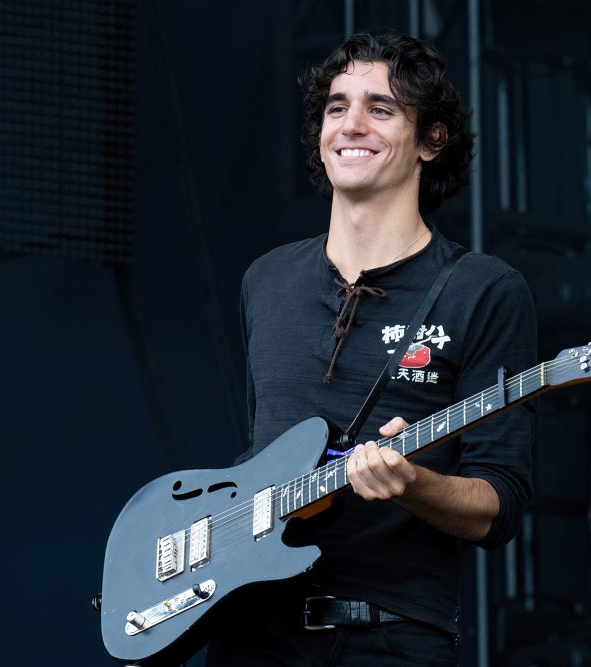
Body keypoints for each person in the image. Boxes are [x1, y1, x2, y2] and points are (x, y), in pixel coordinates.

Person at [206, 30, 537, 666]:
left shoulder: (483, 290)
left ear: (431, 140)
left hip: (386, 637)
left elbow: (499, 505)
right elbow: (254, 460)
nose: (351, 125)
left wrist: (412, 484)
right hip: (248, 636)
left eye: (380, 109)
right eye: (337, 107)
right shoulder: (266, 280)